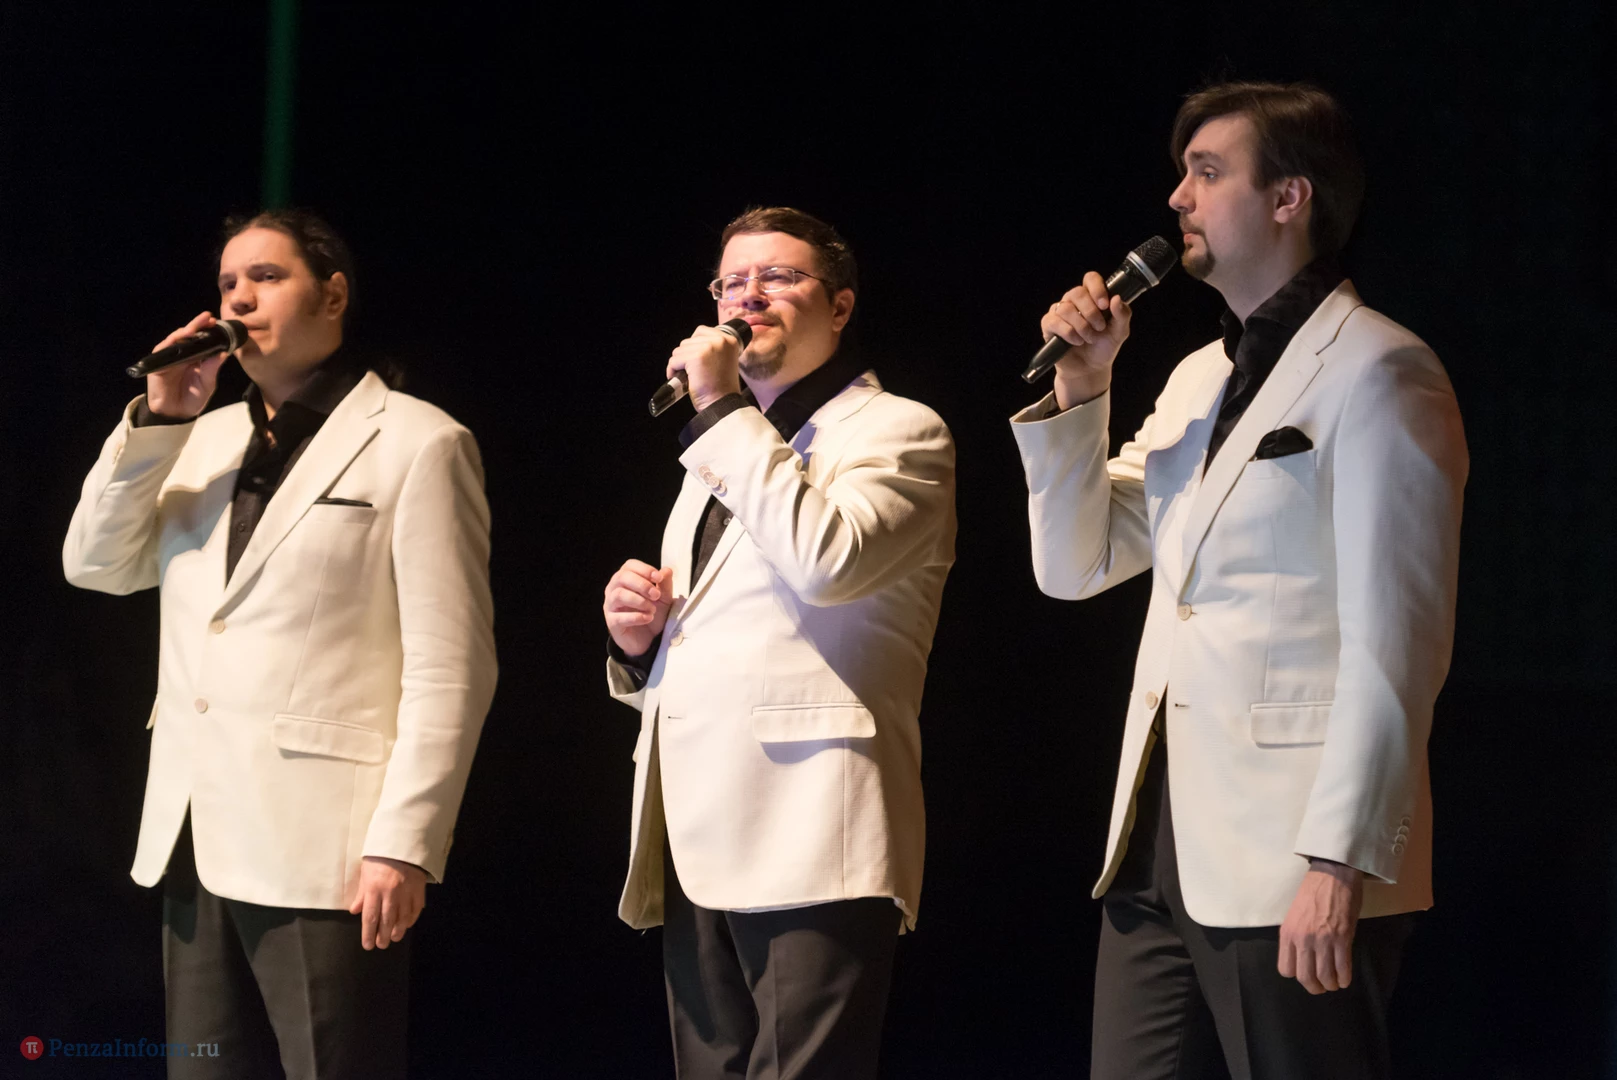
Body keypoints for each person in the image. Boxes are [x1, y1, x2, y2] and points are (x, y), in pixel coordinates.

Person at [1009, 82, 1467, 1079]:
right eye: (1182, 174)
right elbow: (1076, 564)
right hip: (1158, 841)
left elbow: (1398, 643)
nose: (1178, 198)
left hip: (1291, 852)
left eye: (1207, 173)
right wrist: (1082, 391)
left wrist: (1337, 858)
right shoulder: (1195, 378)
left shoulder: (1380, 369)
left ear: (1288, 198)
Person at [62, 209, 497, 1080]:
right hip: (194, 829)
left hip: (329, 848)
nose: (238, 300)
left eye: (265, 277)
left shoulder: (419, 441)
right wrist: (159, 420)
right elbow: (96, 566)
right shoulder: (199, 438)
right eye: (227, 283)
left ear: (332, 295)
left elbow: (452, 664)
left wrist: (406, 839)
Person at [601, 206, 956, 1079]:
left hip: (812, 830)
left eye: (778, 277)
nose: (747, 296)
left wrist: (720, 407)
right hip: (695, 829)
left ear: (839, 305)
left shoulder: (899, 429)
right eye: (731, 282)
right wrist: (639, 645)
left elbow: (828, 562)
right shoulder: (721, 453)